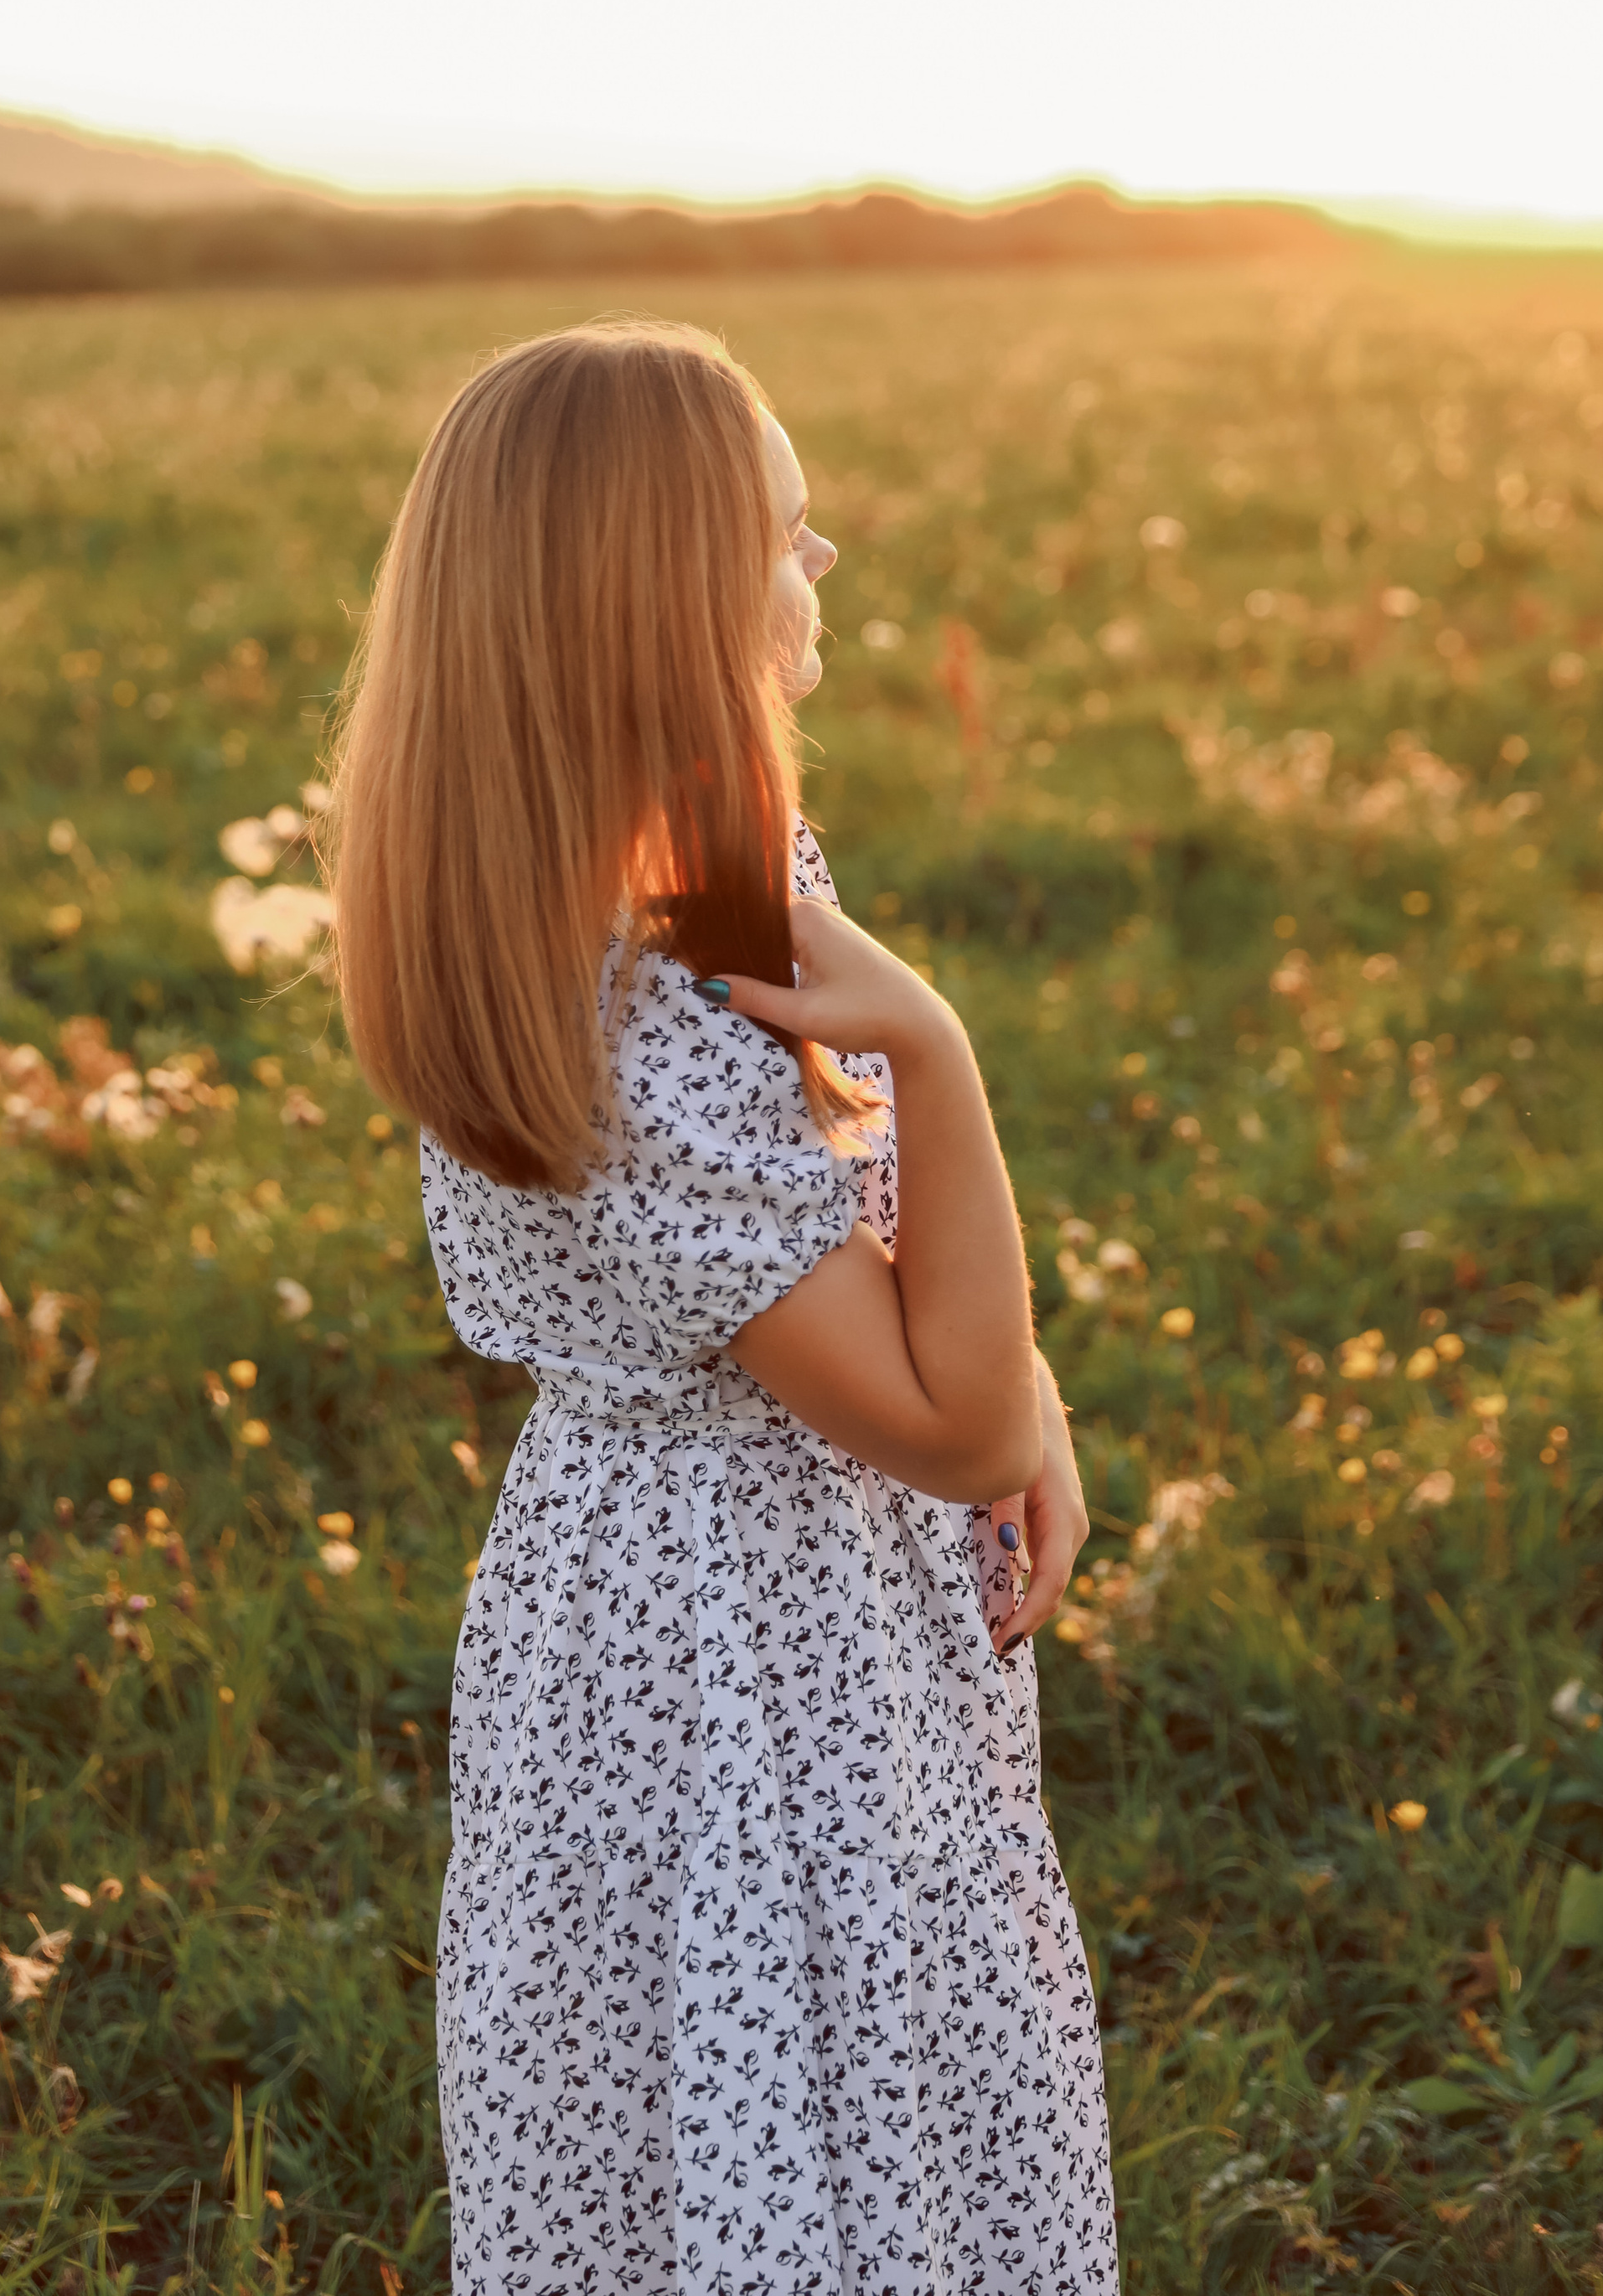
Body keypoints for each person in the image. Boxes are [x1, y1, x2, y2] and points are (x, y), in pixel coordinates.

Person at [328, 320, 1114, 2294]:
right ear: (663, 602)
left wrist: (1033, 1403)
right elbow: (937, 1428)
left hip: (691, 1590)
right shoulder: (648, 1011)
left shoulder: (692, 881)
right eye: (780, 525)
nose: (824, 558)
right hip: (747, 1648)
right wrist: (938, 1053)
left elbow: (904, 1310)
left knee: (730, 2115)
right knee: (793, 2113)